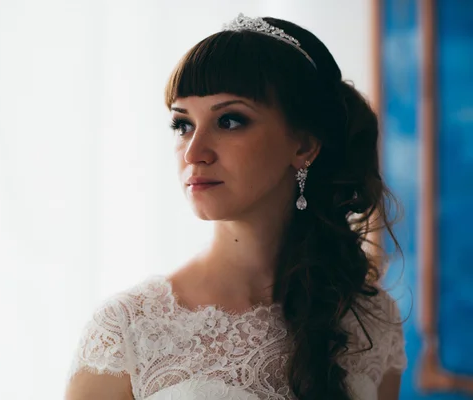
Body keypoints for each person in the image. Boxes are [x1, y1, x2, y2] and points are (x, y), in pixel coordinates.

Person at [64, 13, 407, 400]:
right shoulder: (128, 330)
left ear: (304, 146)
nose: (194, 152)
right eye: (182, 125)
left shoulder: (372, 321)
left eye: (229, 121)